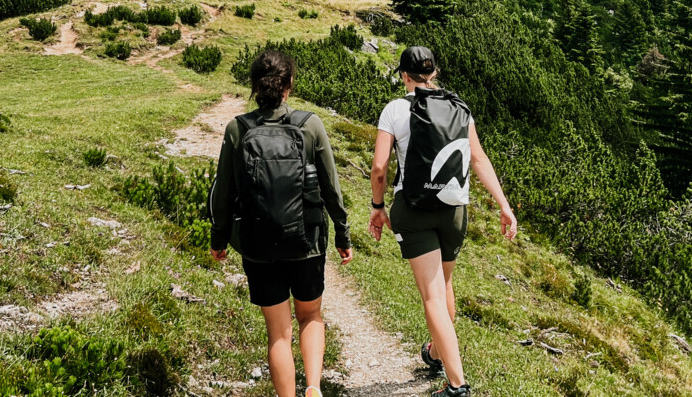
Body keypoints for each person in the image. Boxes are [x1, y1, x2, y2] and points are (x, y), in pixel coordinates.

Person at [368, 46, 518, 397]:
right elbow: (478, 159)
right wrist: (504, 206)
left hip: (415, 210)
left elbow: (379, 168)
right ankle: (437, 352)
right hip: (454, 211)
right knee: (445, 284)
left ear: (404, 75)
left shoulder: (395, 109)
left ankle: (457, 386)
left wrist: (378, 206)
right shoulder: (459, 107)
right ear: (432, 73)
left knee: (432, 296)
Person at [210, 50, 353, 397]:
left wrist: (218, 240)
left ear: (255, 86)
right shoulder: (310, 125)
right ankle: (314, 387)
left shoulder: (237, 129)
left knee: (278, 332)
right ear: (289, 84)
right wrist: (342, 233)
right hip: (306, 241)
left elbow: (223, 193)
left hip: (258, 247)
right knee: (311, 316)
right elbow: (331, 187)